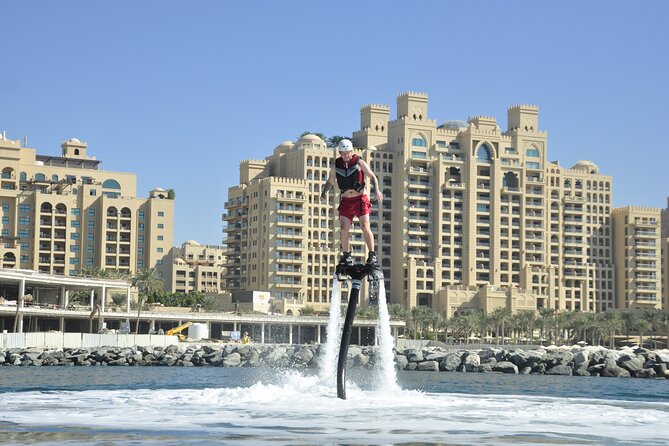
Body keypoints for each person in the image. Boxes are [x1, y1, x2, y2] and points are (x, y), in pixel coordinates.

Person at [320, 139, 383, 267]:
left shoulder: (359, 162)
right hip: (346, 201)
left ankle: (372, 255)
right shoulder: (336, 165)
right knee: (344, 229)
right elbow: (330, 181)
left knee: (365, 227)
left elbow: (372, 176)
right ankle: (347, 255)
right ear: (339, 153)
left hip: (360, 199)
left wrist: (376, 189)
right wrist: (324, 192)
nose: (346, 156)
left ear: (351, 151)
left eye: (348, 153)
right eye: (343, 153)